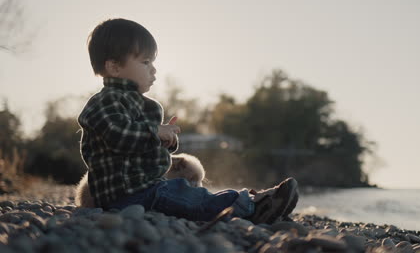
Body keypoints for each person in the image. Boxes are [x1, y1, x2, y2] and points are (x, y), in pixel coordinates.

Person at [78, 18, 299, 224]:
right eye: (145, 62)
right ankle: (251, 207)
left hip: (145, 188)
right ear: (114, 67)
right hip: (124, 194)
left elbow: (142, 148)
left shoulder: (145, 106)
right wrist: (154, 132)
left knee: (186, 193)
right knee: (188, 197)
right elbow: (118, 135)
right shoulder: (105, 102)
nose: (154, 69)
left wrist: (167, 140)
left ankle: (251, 202)